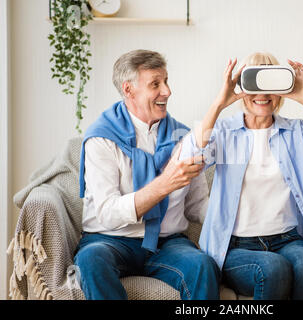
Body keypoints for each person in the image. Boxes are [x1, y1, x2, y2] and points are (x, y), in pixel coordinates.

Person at [180, 52, 303, 299]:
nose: (262, 94)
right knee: (273, 268)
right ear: (240, 88)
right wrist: (219, 103)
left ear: (281, 89)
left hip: (289, 240)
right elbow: (192, 156)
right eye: (253, 83)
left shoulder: (296, 131)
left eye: (269, 83)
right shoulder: (225, 131)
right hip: (237, 246)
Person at [74, 49, 220, 300]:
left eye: (166, 81)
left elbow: (196, 206)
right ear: (128, 90)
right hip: (111, 240)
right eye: (155, 83)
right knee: (90, 260)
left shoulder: (184, 139)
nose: (167, 91)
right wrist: (164, 184)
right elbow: (107, 213)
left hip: (167, 243)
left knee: (202, 265)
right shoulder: (101, 139)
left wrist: (238, 213)